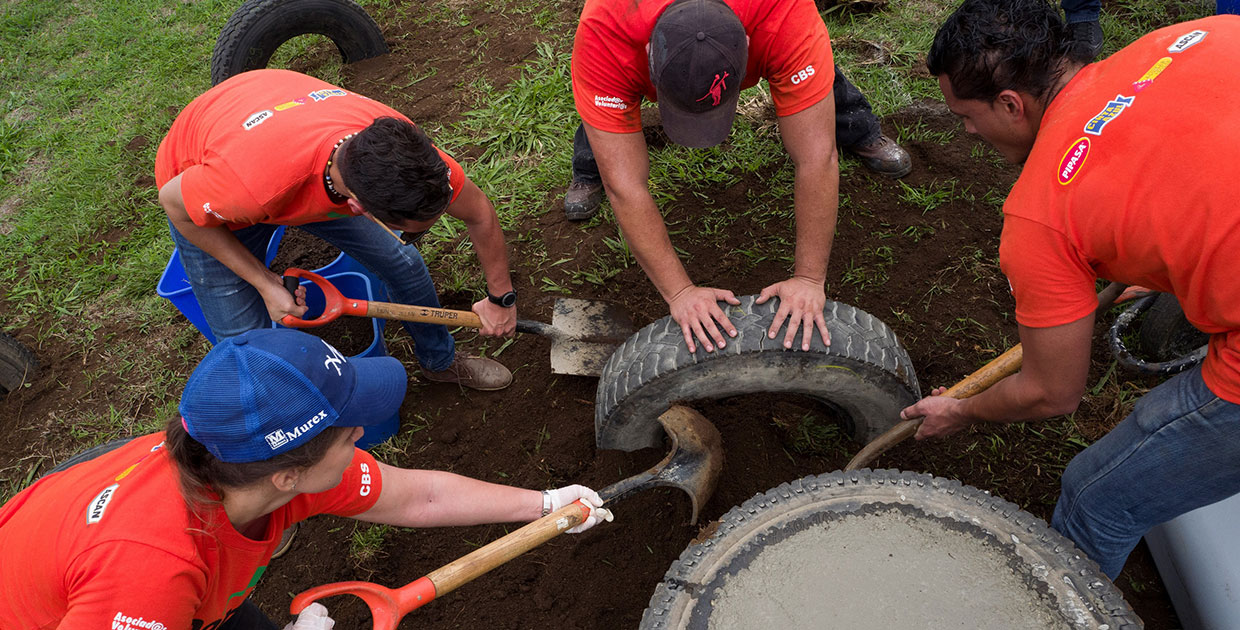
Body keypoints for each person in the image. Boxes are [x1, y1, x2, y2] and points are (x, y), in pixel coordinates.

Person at [908, 0, 1240, 579]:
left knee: (1095, 500)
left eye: (965, 115)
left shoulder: (1041, 216)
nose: (964, 130)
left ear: (1010, 104)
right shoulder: (1190, 38)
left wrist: (962, 408)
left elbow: (1050, 393)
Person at [0, 328, 610, 628]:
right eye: (352, 435)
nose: (364, 442)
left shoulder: (236, 460)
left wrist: (545, 502)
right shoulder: (148, 571)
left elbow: (418, 495)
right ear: (288, 477)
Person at [566, 0, 911, 354]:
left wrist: (809, 278)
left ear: (747, 45)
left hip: (774, 31)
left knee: (819, 83)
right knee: (604, 117)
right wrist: (680, 293)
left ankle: (858, 128)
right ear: (650, 52)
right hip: (621, 49)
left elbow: (816, 157)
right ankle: (588, 165)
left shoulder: (784, 14)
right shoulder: (606, 30)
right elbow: (625, 186)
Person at [156, 69, 515, 391]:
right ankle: (296, 431)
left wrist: (502, 299)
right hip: (201, 184)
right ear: (358, 208)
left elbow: (479, 212)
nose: (417, 236)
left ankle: (440, 363)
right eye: (412, 231)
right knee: (247, 346)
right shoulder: (247, 190)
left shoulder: (401, 152)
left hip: (273, 118)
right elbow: (174, 205)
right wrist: (265, 284)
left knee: (403, 263)